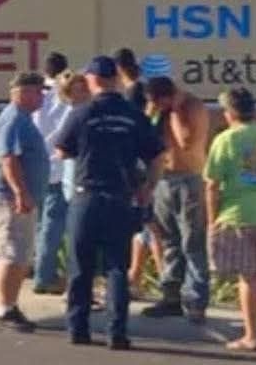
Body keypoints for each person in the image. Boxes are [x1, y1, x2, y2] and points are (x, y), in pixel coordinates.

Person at [56, 56, 163, 351]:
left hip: (86, 195)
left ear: (91, 79)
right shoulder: (133, 113)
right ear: (115, 79)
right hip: (120, 197)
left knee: (82, 265)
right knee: (118, 267)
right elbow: (156, 156)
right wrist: (148, 187)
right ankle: (117, 333)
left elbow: (62, 149)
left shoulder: (82, 112)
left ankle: (78, 329)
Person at [204, 88, 256, 352]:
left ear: (229, 112)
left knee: (248, 277)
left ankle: (251, 335)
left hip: (240, 213)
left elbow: (212, 183)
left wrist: (212, 219)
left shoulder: (226, 139)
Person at [0, 72, 49, 332]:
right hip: (7, 197)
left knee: (20, 253)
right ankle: (3, 310)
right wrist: (20, 192)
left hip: (18, 196)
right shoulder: (13, 120)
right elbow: (8, 159)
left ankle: (10, 304)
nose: (42, 96)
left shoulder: (22, 119)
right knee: (12, 253)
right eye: (38, 91)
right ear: (22, 93)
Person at [142, 76, 211, 323]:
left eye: (157, 102)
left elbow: (186, 141)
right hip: (164, 178)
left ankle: (196, 301)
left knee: (192, 241)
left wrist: (174, 111)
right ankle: (170, 297)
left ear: (168, 97)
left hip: (189, 179)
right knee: (168, 239)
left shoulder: (190, 107)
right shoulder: (160, 110)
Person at [33, 70, 89, 295]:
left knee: (46, 227)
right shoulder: (76, 112)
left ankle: (44, 273)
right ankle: (45, 276)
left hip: (45, 169)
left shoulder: (43, 102)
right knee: (58, 229)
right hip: (65, 173)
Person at [114, 47, 164, 298]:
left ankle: (166, 282)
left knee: (151, 225)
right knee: (143, 226)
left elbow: (136, 130)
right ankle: (134, 279)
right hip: (145, 164)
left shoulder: (134, 93)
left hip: (141, 166)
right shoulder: (142, 89)